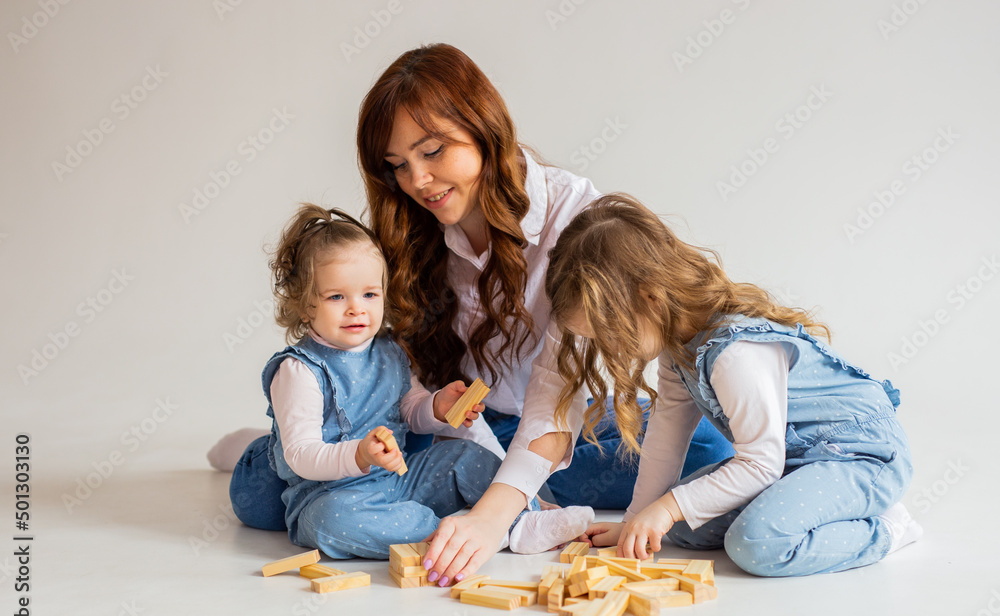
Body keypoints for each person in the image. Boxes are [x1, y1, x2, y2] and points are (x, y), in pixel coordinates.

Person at [213, 43, 733, 582]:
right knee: (260, 501)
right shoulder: (411, 224)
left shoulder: (578, 219)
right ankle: (279, 444)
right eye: (398, 166)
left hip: (542, 423)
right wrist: (436, 435)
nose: (416, 182)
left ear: (484, 127)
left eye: (433, 151)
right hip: (439, 429)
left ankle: (490, 492)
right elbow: (386, 373)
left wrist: (489, 519)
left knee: (705, 457)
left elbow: (555, 398)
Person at [542, 193, 921, 576]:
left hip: (859, 457)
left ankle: (888, 527)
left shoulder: (735, 354)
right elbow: (666, 436)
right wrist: (638, 517)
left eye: (610, 335)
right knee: (685, 530)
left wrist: (668, 507)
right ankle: (820, 510)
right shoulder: (676, 348)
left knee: (756, 545)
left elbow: (760, 463)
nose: (609, 351)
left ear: (650, 298)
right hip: (791, 462)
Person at [244, 203, 593, 559]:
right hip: (333, 495)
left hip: (401, 480)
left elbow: (410, 408)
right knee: (330, 522)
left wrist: (437, 407)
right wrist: (360, 454)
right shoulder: (299, 370)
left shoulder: (389, 349)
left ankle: (523, 519)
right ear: (304, 306)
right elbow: (301, 455)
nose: (356, 308)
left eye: (369, 294)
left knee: (465, 454)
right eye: (336, 297)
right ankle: (452, 533)